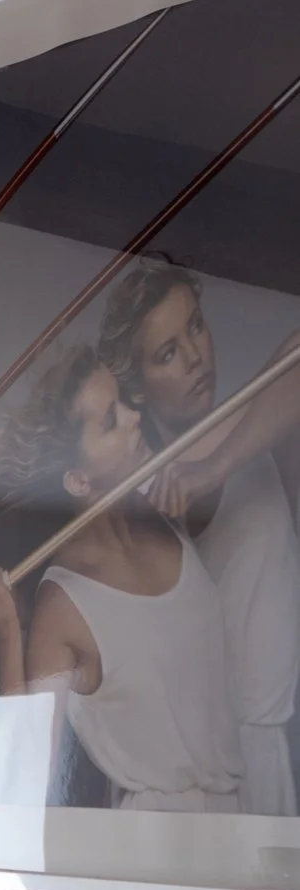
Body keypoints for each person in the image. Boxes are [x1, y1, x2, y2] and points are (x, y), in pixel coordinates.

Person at [0, 345, 244, 813]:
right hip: (153, 839)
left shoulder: (162, 510)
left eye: (124, 401)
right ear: (78, 480)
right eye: (111, 420)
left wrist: (216, 465)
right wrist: (7, 633)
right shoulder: (63, 607)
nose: (134, 417)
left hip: (239, 816)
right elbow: (25, 780)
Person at [98, 257, 300, 814]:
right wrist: (210, 469)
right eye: (167, 353)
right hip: (215, 771)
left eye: (196, 326)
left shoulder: (252, 431)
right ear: (139, 391)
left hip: (271, 747)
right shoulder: (158, 484)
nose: (195, 356)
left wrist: (218, 465)